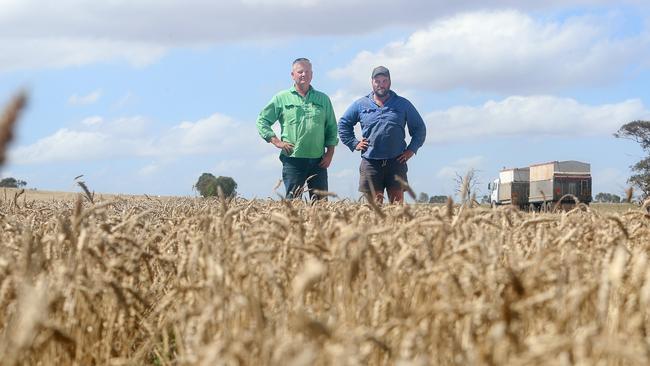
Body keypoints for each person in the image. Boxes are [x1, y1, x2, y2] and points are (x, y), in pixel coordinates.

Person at [338, 66, 426, 204]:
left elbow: (419, 129)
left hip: (397, 161)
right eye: (377, 81)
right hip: (371, 162)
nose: (381, 84)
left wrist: (411, 150)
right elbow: (343, 124)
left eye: (384, 81)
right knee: (374, 210)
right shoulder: (361, 104)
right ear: (372, 82)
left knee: (397, 209)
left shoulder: (403, 104)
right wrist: (354, 143)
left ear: (390, 82)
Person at [256, 58, 338, 200]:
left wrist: (330, 153)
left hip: (319, 160)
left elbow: (331, 128)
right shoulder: (281, 98)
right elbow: (262, 121)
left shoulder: (323, 99)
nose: (303, 75)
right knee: (293, 205)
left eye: (307, 72)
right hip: (292, 160)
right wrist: (276, 141)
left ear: (312, 75)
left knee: (321, 207)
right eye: (300, 72)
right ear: (292, 75)